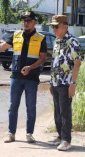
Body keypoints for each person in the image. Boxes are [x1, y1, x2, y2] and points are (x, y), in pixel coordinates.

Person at [0, 11, 47, 143]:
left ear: (35, 22)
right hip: (16, 78)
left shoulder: (41, 38)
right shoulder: (16, 35)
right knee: (13, 106)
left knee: (31, 107)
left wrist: (30, 68)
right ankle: (11, 133)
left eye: (28, 20)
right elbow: (1, 47)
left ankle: (29, 133)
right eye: (24, 20)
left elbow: (43, 58)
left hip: (32, 79)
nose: (26, 23)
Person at [48, 15, 82, 151]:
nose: (54, 29)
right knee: (57, 111)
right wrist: (51, 83)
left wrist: (73, 83)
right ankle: (60, 135)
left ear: (65, 27)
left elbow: (77, 64)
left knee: (65, 112)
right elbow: (54, 63)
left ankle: (67, 140)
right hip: (56, 82)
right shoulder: (57, 41)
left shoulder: (72, 42)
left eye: (56, 26)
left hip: (66, 82)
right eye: (53, 27)